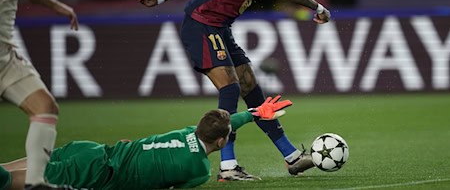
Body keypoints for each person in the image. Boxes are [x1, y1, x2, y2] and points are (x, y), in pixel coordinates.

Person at [138, 0, 330, 181]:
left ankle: (291, 156)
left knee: (251, 87)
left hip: (220, 28)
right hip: (202, 24)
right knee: (230, 88)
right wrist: (318, 7)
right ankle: (228, 167)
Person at [1, 96, 293, 190]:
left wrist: (253, 114)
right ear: (219, 142)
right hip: (99, 173)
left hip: (92, 150)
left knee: (12, 168)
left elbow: (224, 125)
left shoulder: (188, 132)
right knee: (9, 181)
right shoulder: (199, 171)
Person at [0, 0, 79, 189]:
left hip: (4, 51)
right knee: (44, 107)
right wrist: (56, 5)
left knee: (44, 107)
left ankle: (35, 183)